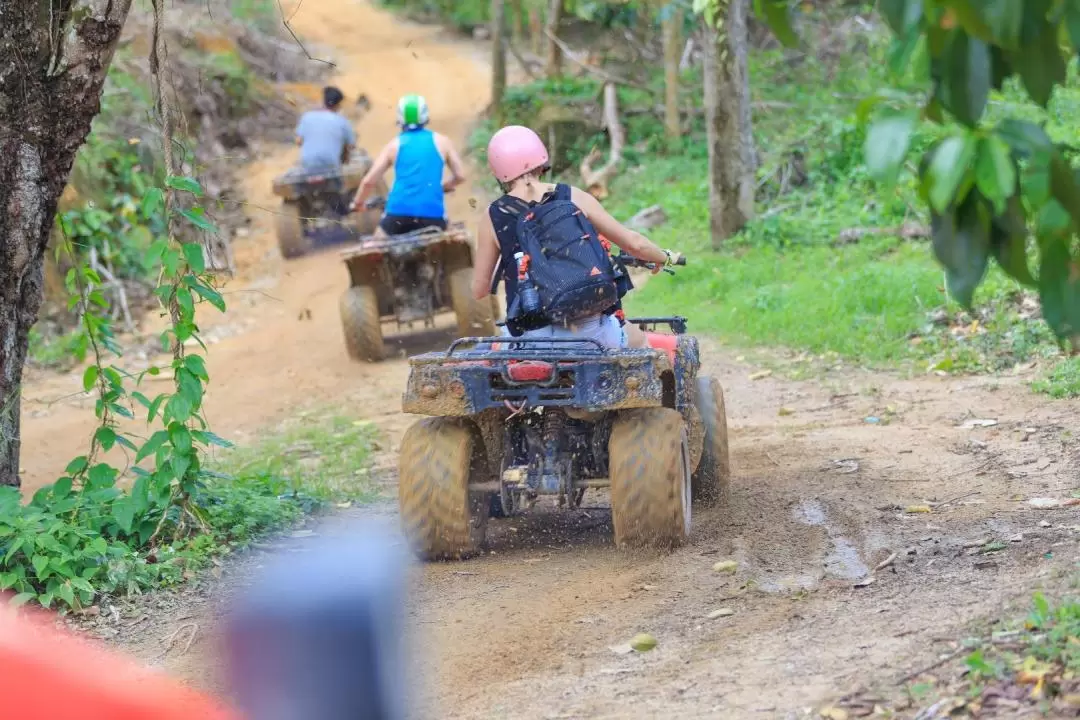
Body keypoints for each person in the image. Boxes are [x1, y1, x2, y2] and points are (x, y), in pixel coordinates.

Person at [471, 125, 680, 349]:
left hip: (528, 341)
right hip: (591, 334)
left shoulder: (492, 216)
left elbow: (480, 290)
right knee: (640, 342)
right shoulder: (572, 196)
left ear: (498, 170)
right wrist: (665, 257)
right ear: (541, 158)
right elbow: (634, 243)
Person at [349, 94, 466, 236]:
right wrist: (442, 186)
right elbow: (460, 176)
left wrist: (358, 204)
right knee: (453, 241)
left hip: (397, 215)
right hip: (433, 217)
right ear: (425, 116)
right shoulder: (442, 142)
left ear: (400, 118)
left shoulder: (394, 145)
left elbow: (369, 181)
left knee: (374, 248)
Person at [294, 86, 356, 171]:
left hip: (308, 165)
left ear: (323, 101)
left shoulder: (307, 117)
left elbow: (298, 141)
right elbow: (351, 146)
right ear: (338, 104)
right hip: (331, 165)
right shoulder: (343, 121)